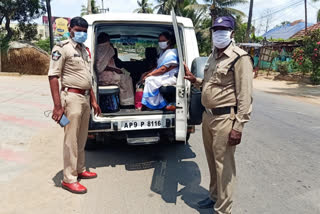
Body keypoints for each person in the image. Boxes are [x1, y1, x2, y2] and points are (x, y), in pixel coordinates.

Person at [184, 16, 253, 214]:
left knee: (224, 166)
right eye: (216, 29)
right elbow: (210, 85)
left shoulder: (240, 58)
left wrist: (238, 127)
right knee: (212, 161)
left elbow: (245, 96)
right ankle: (214, 196)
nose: (218, 33)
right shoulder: (213, 56)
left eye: (223, 29)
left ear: (232, 33)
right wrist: (194, 80)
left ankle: (223, 209)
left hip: (225, 119)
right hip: (208, 117)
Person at [48, 17, 101, 194]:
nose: (82, 33)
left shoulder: (85, 50)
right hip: (71, 98)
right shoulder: (62, 48)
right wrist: (57, 106)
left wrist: (93, 99)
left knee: (82, 136)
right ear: (70, 28)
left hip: (85, 98)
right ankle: (69, 178)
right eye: (78, 30)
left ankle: (80, 168)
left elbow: (88, 78)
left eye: (84, 31)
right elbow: (53, 76)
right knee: (70, 139)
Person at [141, 32, 179, 110]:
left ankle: (154, 104)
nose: (161, 43)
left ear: (169, 41)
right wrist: (148, 72)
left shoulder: (172, 52)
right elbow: (158, 67)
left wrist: (149, 75)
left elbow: (163, 69)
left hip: (170, 76)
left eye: (163, 40)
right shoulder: (163, 53)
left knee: (150, 80)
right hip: (165, 75)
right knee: (147, 78)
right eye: (159, 41)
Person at [96, 32, 134, 106]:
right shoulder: (106, 49)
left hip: (103, 74)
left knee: (125, 75)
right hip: (104, 76)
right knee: (126, 78)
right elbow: (100, 67)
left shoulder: (98, 48)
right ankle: (126, 103)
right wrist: (115, 70)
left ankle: (125, 102)